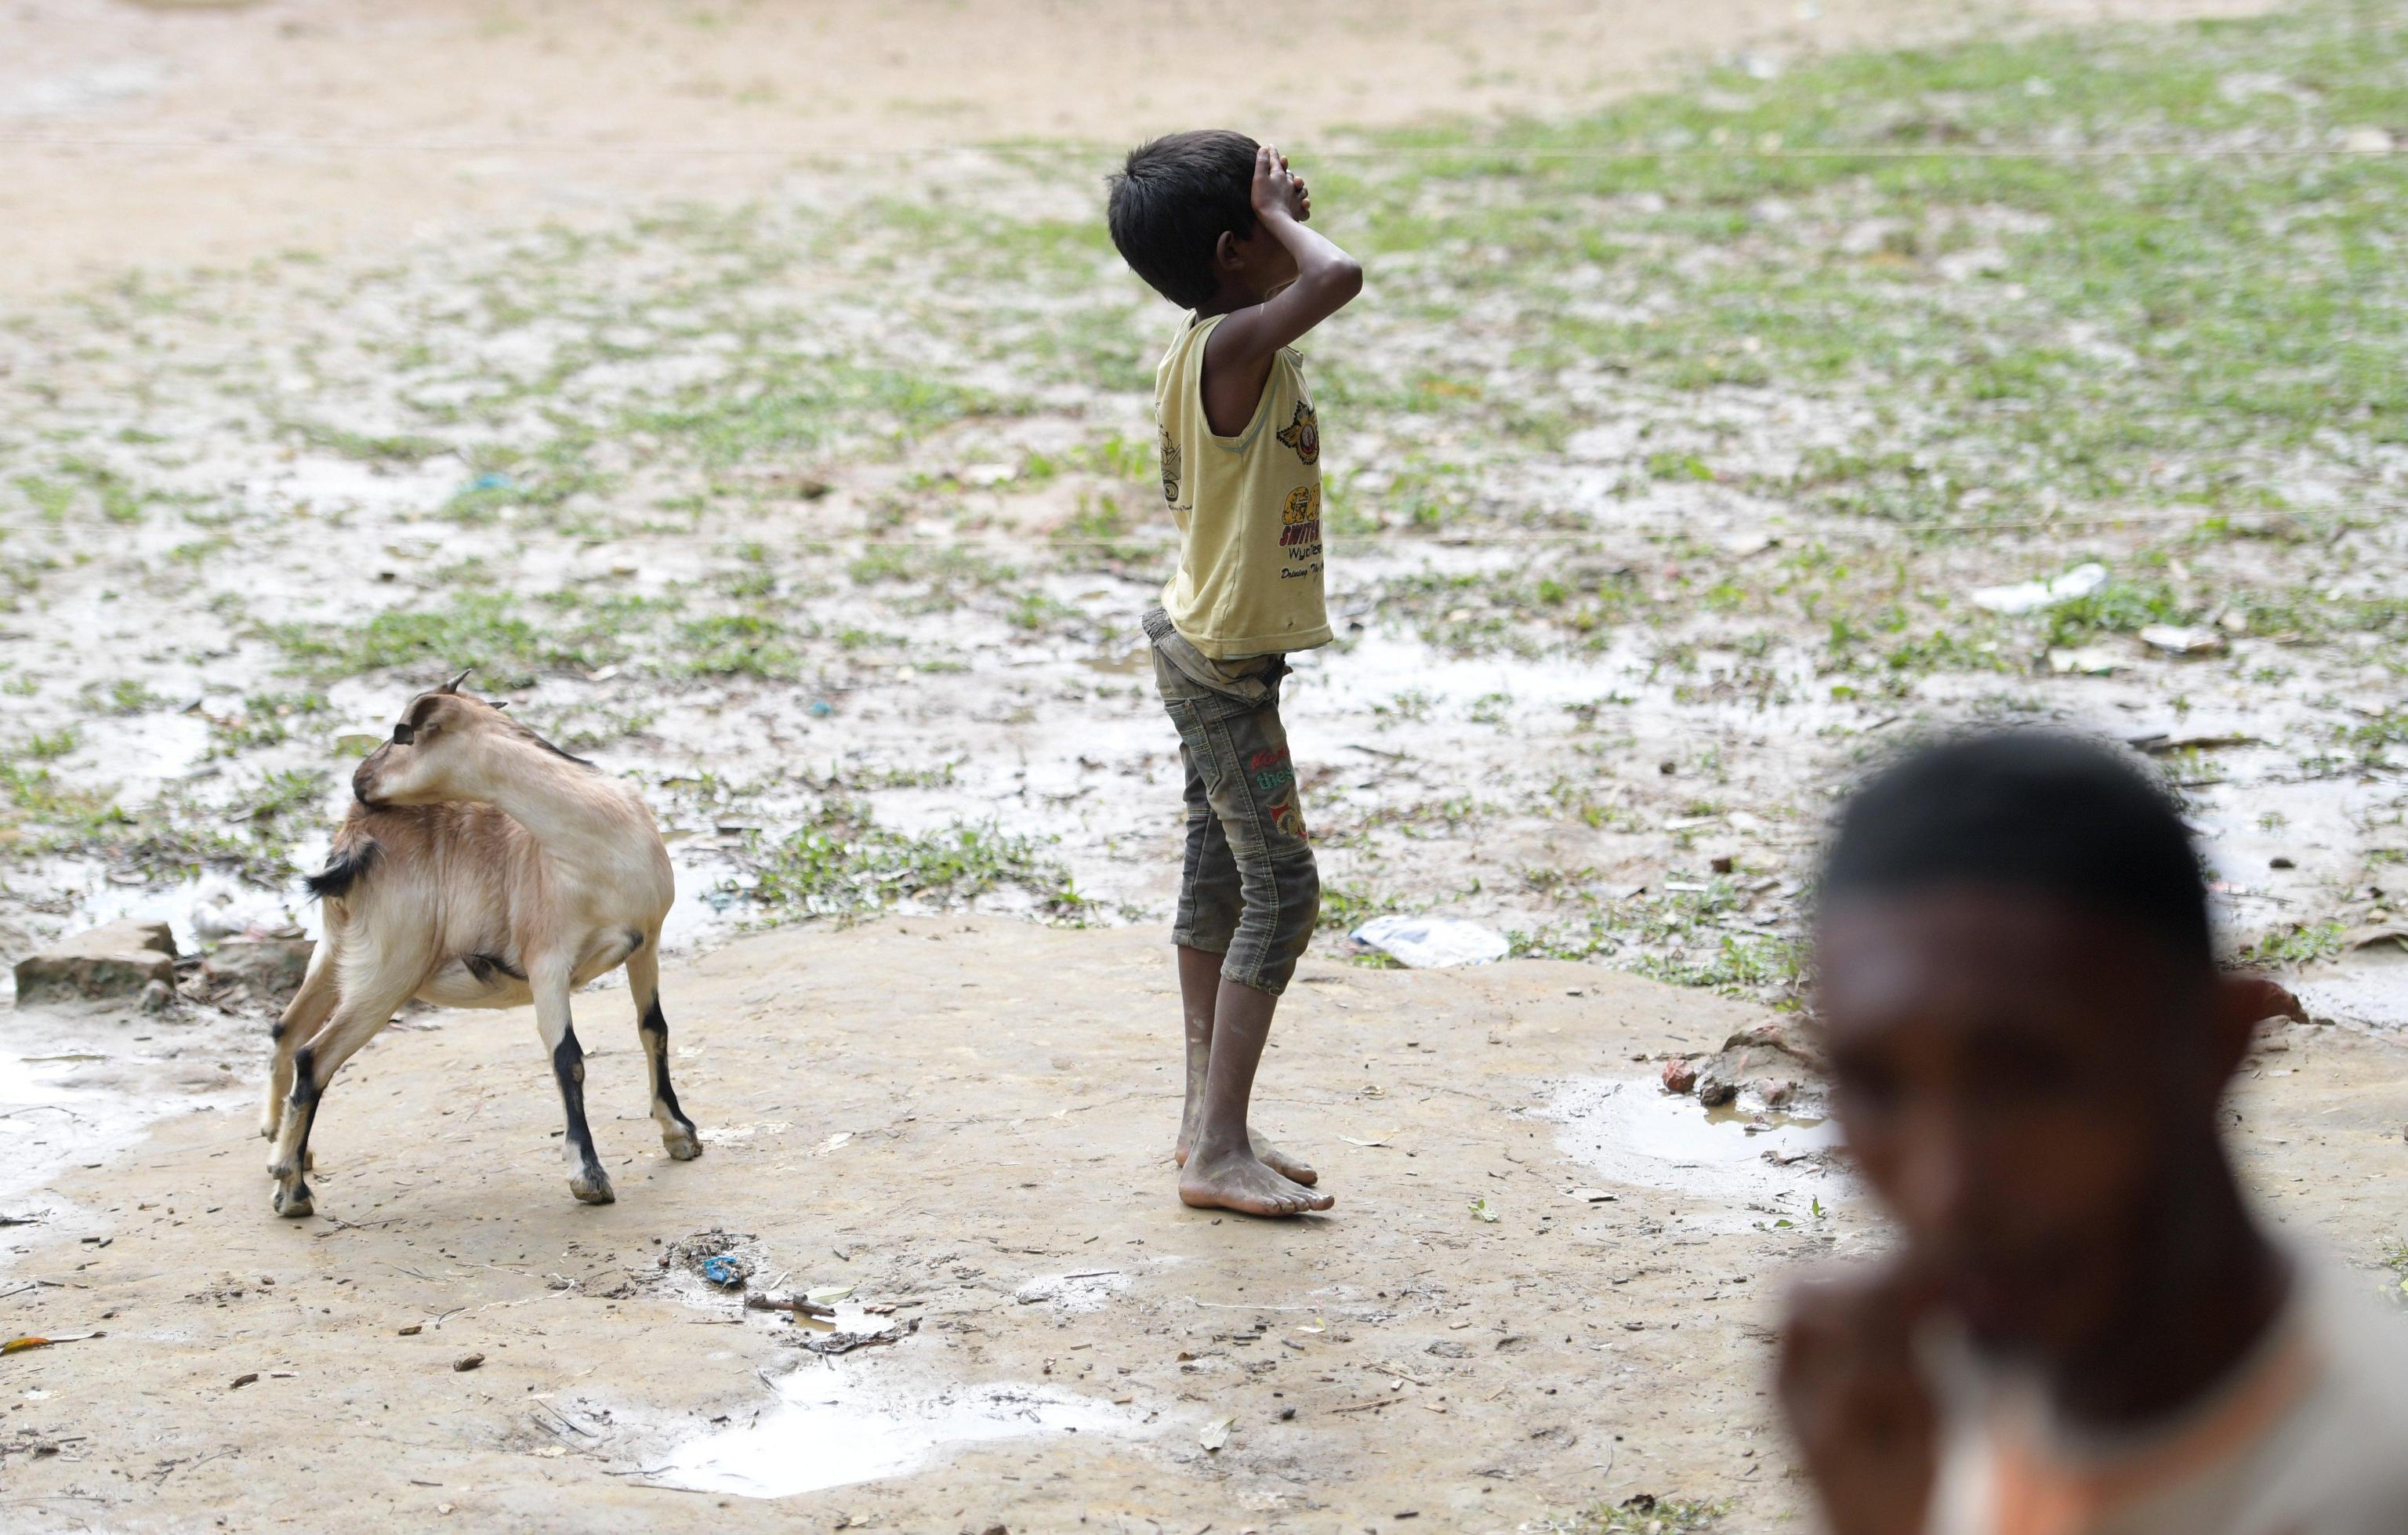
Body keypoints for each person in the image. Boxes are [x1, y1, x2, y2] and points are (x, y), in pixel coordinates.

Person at [1782, 731, 2408, 1534]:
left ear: (2216, 1048)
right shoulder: (1996, 1354)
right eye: (1874, 1086)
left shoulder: (2362, 1490)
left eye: (2030, 1077)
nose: (1947, 1190)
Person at [1104, 130, 1362, 1217]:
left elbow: (1313, 274)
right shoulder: (1231, 347)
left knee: (1219, 877)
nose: (1297, 196)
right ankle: (1216, 1145)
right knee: (1284, 890)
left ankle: (1209, 1119)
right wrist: (1295, 229)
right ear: (1232, 249)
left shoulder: (1226, 337)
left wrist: (1274, 217)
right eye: (1272, 199)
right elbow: (1340, 275)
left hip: (1210, 649)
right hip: (1218, 665)